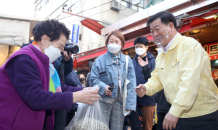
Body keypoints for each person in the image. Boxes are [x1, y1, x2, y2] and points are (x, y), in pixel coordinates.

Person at [0, 20, 99, 130]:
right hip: (13, 124)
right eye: (60, 47)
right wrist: (74, 97)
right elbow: (35, 97)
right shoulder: (24, 59)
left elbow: (58, 87)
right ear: (45, 40)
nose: (61, 51)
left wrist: (82, 91)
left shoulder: (46, 63)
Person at [135, 11, 218, 130]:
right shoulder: (161, 54)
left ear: (171, 26)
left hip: (202, 115)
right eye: (152, 31)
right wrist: (146, 88)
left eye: (157, 29)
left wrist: (175, 111)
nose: (154, 34)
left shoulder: (189, 46)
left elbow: (189, 83)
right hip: (177, 112)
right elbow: (157, 78)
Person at [91, 30, 136, 130]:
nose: (113, 44)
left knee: (117, 128)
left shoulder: (128, 61)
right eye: (111, 41)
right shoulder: (99, 60)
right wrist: (103, 87)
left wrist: (130, 104)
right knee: (101, 127)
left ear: (122, 44)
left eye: (117, 41)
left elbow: (131, 84)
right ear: (107, 43)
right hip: (103, 101)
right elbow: (93, 79)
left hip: (120, 102)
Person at [132, 37, 156, 130]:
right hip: (135, 101)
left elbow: (155, 80)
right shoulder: (132, 62)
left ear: (146, 47)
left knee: (147, 126)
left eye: (141, 46)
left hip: (148, 100)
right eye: (136, 46)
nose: (138, 49)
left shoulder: (153, 61)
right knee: (136, 126)